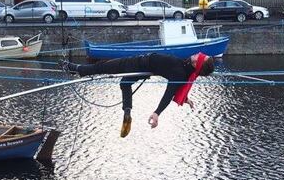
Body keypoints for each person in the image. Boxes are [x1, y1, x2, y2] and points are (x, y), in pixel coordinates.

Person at [62, 52, 215, 137]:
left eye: (200, 56)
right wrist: (186, 98)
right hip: (145, 69)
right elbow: (177, 86)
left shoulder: (181, 72)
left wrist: (157, 113)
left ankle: (76, 69)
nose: (196, 54)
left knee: (103, 66)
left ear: (198, 64)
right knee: (125, 83)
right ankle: (127, 112)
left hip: (137, 63)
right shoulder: (185, 69)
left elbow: (169, 94)